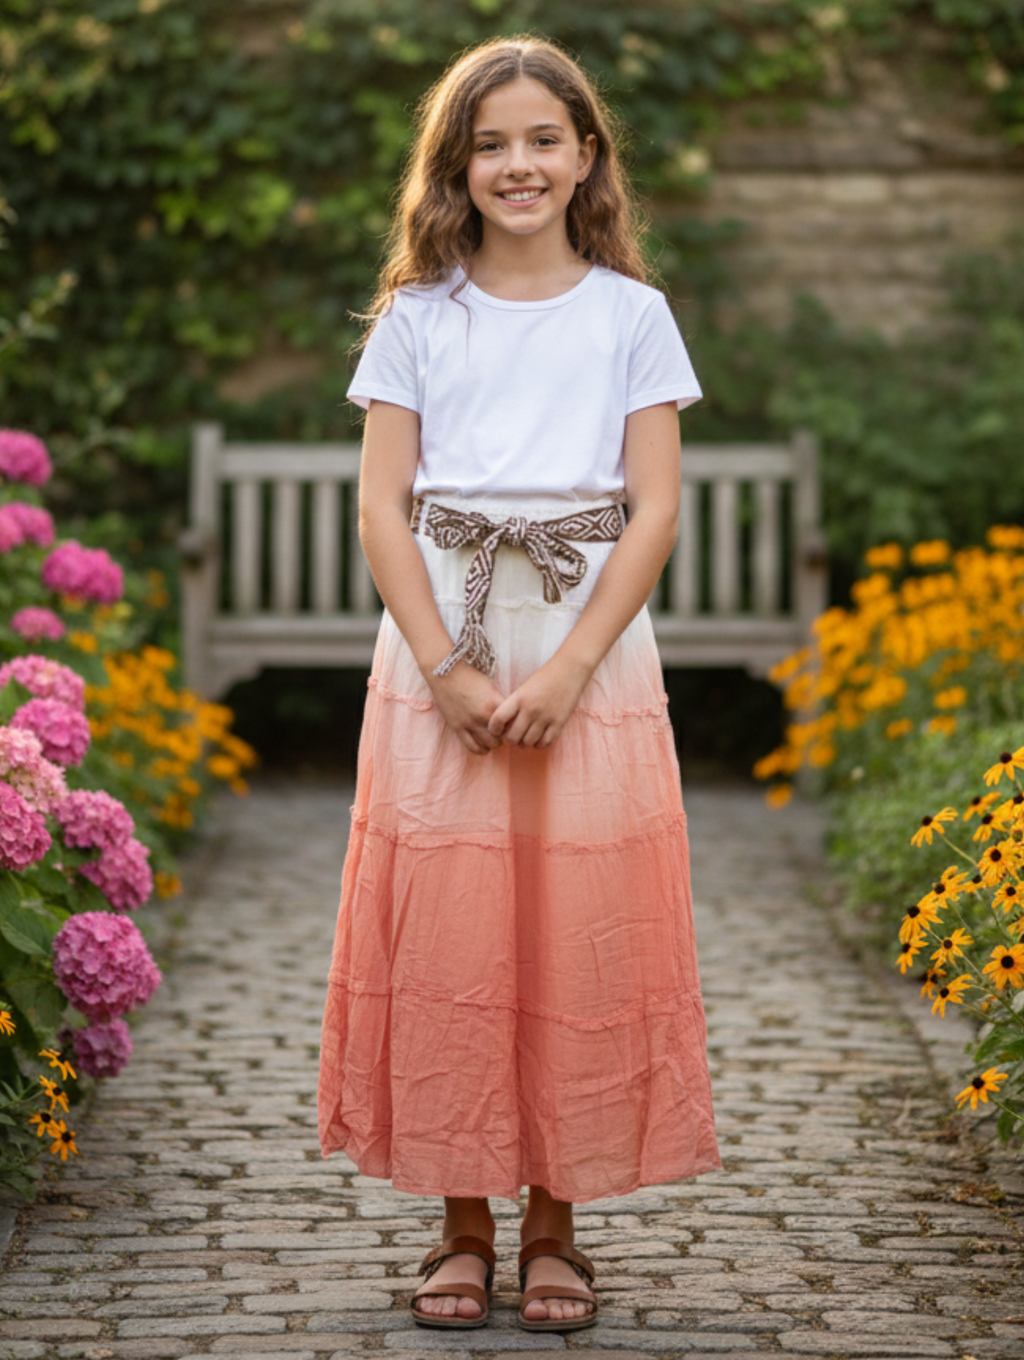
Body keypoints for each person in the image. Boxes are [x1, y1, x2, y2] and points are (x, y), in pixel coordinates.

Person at [317, 33, 721, 1335]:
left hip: (588, 646)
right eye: (490, 143)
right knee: (449, 930)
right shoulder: (418, 319)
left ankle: (555, 1226)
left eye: (544, 138)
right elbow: (384, 506)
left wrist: (569, 668)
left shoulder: (630, 316)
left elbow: (651, 511)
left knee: (574, 929)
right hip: (444, 635)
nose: (519, 163)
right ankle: (460, 1223)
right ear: (456, 166)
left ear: (588, 154)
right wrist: (444, 668)